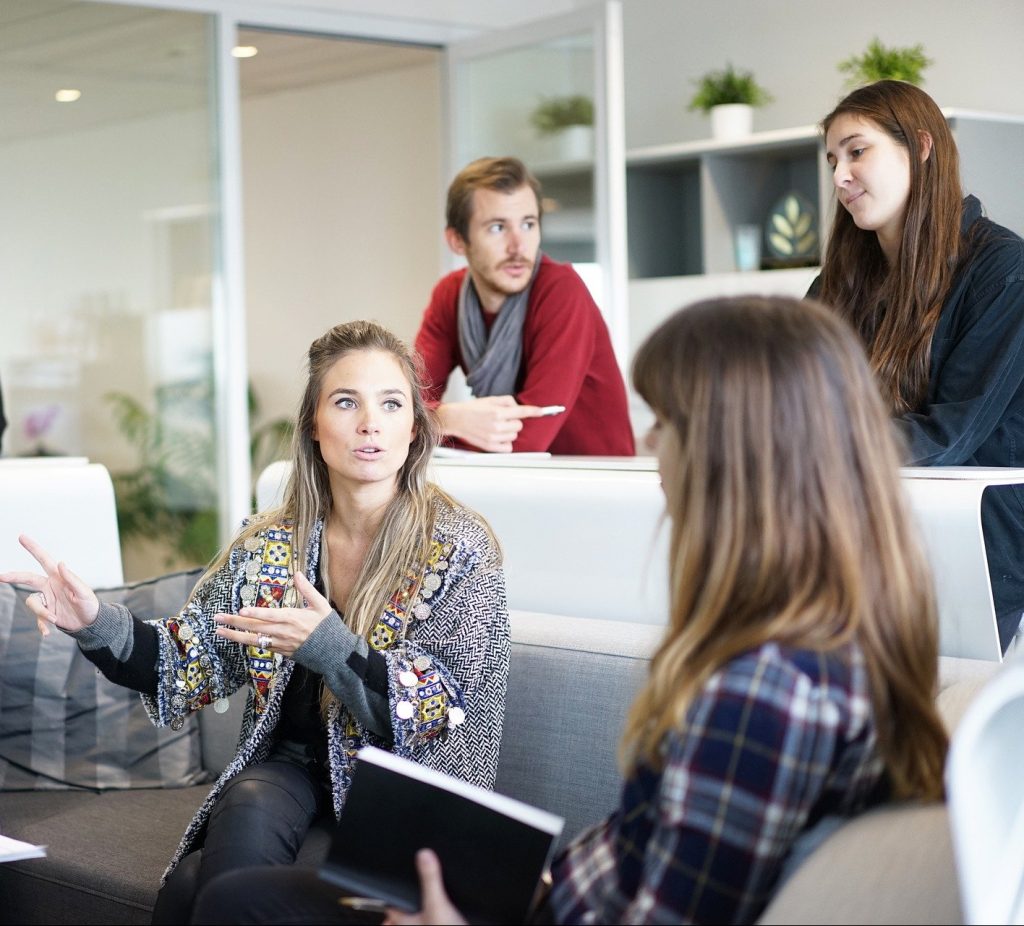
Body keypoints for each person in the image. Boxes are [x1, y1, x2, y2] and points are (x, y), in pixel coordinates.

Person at [191, 296, 949, 926]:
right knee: (229, 892)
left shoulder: (765, 692)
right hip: (549, 896)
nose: (652, 447)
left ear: (735, 454)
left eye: (669, 423)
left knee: (237, 906)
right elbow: (652, 856)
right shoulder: (815, 645)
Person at [0, 320, 510, 924]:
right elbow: (185, 659)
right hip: (290, 771)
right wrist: (92, 622)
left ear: (414, 430)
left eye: (391, 403)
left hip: (401, 794)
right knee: (245, 802)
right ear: (314, 428)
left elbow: (452, 716)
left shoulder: (458, 547)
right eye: (345, 402)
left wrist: (329, 647)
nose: (370, 422)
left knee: (195, 886)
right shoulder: (271, 544)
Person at [809, 78, 1024, 654]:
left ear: (921, 148)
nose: (840, 177)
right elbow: (792, 399)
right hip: (865, 537)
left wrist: (810, 446)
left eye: (858, 151)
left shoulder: (1004, 270)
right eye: (833, 160)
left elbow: (949, 434)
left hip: (980, 552)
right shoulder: (837, 285)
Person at [413, 156, 635, 455]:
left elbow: (527, 440)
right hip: (513, 481)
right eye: (497, 228)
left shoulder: (561, 291)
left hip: (593, 484)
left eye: (528, 224)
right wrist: (449, 418)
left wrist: (429, 423)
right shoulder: (449, 295)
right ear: (457, 241)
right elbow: (401, 404)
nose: (518, 246)